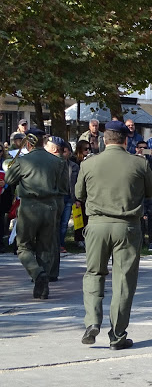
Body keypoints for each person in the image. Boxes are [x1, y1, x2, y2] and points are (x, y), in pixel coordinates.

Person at [76, 121, 152, 349]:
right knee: (123, 280)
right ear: (125, 140)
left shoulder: (90, 163)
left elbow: (78, 194)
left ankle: (92, 321)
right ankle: (117, 335)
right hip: (127, 227)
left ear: (104, 139)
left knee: (94, 273)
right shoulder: (139, 163)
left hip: (97, 225)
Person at [5, 128, 68, 300]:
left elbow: (9, 180)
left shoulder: (23, 160)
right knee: (46, 247)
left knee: (23, 246)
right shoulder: (57, 161)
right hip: (50, 206)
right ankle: (43, 286)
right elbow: (64, 187)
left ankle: (37, 273)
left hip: (29, 206)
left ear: (28, 142)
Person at [44, 135, 70, 282]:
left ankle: (48, 271)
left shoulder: (57, 162)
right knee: (52, 236)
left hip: (55, 199)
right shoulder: (61, 161)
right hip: (58, 199)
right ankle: (51, 271)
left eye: (47, 145)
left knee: (50, 237)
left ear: (53, 148)